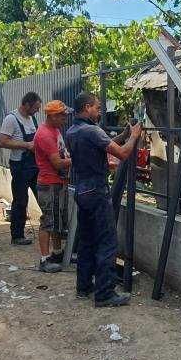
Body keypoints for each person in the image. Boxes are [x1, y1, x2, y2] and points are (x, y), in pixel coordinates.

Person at [65, 92, 143, 307]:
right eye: (97, 108)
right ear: (87, 107)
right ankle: (105, 293)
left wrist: (124, 134)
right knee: (107, 242)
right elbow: (123, 154)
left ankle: (84, 286)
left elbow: (104, 144)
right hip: (97, 191)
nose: (100, 111)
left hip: (81, 191)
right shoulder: (91, 130)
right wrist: (134, 136)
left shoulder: (73, 131)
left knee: (87, 240)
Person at [33, 100, 73, 273]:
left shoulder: (54, 130)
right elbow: (57, 163)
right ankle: (44, 259)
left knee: (56, 221)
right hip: (50, 184)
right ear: (53, 116)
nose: (65, 119)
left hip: (57, 183)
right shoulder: (44, 135)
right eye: (63, 116)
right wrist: (78, 158)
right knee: (48, 221)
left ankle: (57, 252)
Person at [0, 92, 42, 245]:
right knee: (21, 201)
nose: (37, 111)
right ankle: (17, 236)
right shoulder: (11, 119)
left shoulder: (31, 118)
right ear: (27, 105)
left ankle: (51, 229)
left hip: (34, 165)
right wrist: (26, 145)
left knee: (44, 196)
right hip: (20, 166)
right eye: (35, 108)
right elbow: (2, 142)